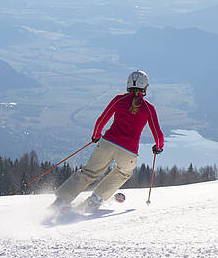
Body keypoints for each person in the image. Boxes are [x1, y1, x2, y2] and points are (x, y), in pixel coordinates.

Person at [51, 70, 164, 212]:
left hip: (107, 143)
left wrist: (96, 135)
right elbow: (159, 136)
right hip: (128, 151)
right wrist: (158, 147)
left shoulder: (119, 99)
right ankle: (95, 199)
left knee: (89, 172)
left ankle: (61, 200)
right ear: (145, 87)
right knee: (123, 173)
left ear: (128, 85)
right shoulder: (149, 108)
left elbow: (100, 121)